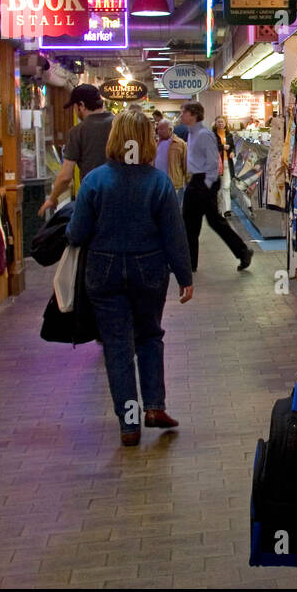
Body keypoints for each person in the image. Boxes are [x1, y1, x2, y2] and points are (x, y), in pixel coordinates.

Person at [66, 110, 194, 447]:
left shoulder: (95, 180)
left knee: (117, 346)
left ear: (114, 139)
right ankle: (154, 407)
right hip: (149, 270)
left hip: (103, 271)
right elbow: (174, 235)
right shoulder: (158, 182)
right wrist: (184, 275)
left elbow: (77, 233)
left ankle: (129, 423)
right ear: (148, 140)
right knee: (149, 335)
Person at [180, 102, 253, 272]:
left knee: (212, 222)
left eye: (183, 112)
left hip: (204, 181)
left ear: (193, 114)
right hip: (197, 181)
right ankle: (191, 262)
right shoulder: (191, 133)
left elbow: (213, 162)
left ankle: (243, 251)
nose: (180, 115)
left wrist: (205, 187)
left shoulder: (204, 135)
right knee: (194, 223)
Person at [40, 84, 113, 215]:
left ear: (82, 105)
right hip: (121, 197)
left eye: (74, 107)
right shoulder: (120, 124)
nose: (74, 110)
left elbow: (65, 176)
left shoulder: (78, 132)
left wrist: (52, 198)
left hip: (92, 199)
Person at [154, 119, 187, 196]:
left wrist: (188, 182)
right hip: (158, 184)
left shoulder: (180, 144)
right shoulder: (155, 143)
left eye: (162, 129)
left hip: (174, 185)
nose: (158, 131)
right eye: (158, 129)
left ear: (170, 129)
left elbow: (186, 165)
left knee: (176, 206)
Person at [214, 116, 236, 217]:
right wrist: (222, 147)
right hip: (217, 164)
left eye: (222, 122)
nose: (220, 124)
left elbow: (232, 147)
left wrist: (232, 152)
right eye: (218, 122)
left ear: (225, 123)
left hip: (228, 163)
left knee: (226, 186)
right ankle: (219, 210)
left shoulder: (229, 135)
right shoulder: (212, 135)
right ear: (215, 123)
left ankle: (227, 210)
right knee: (218, 188)